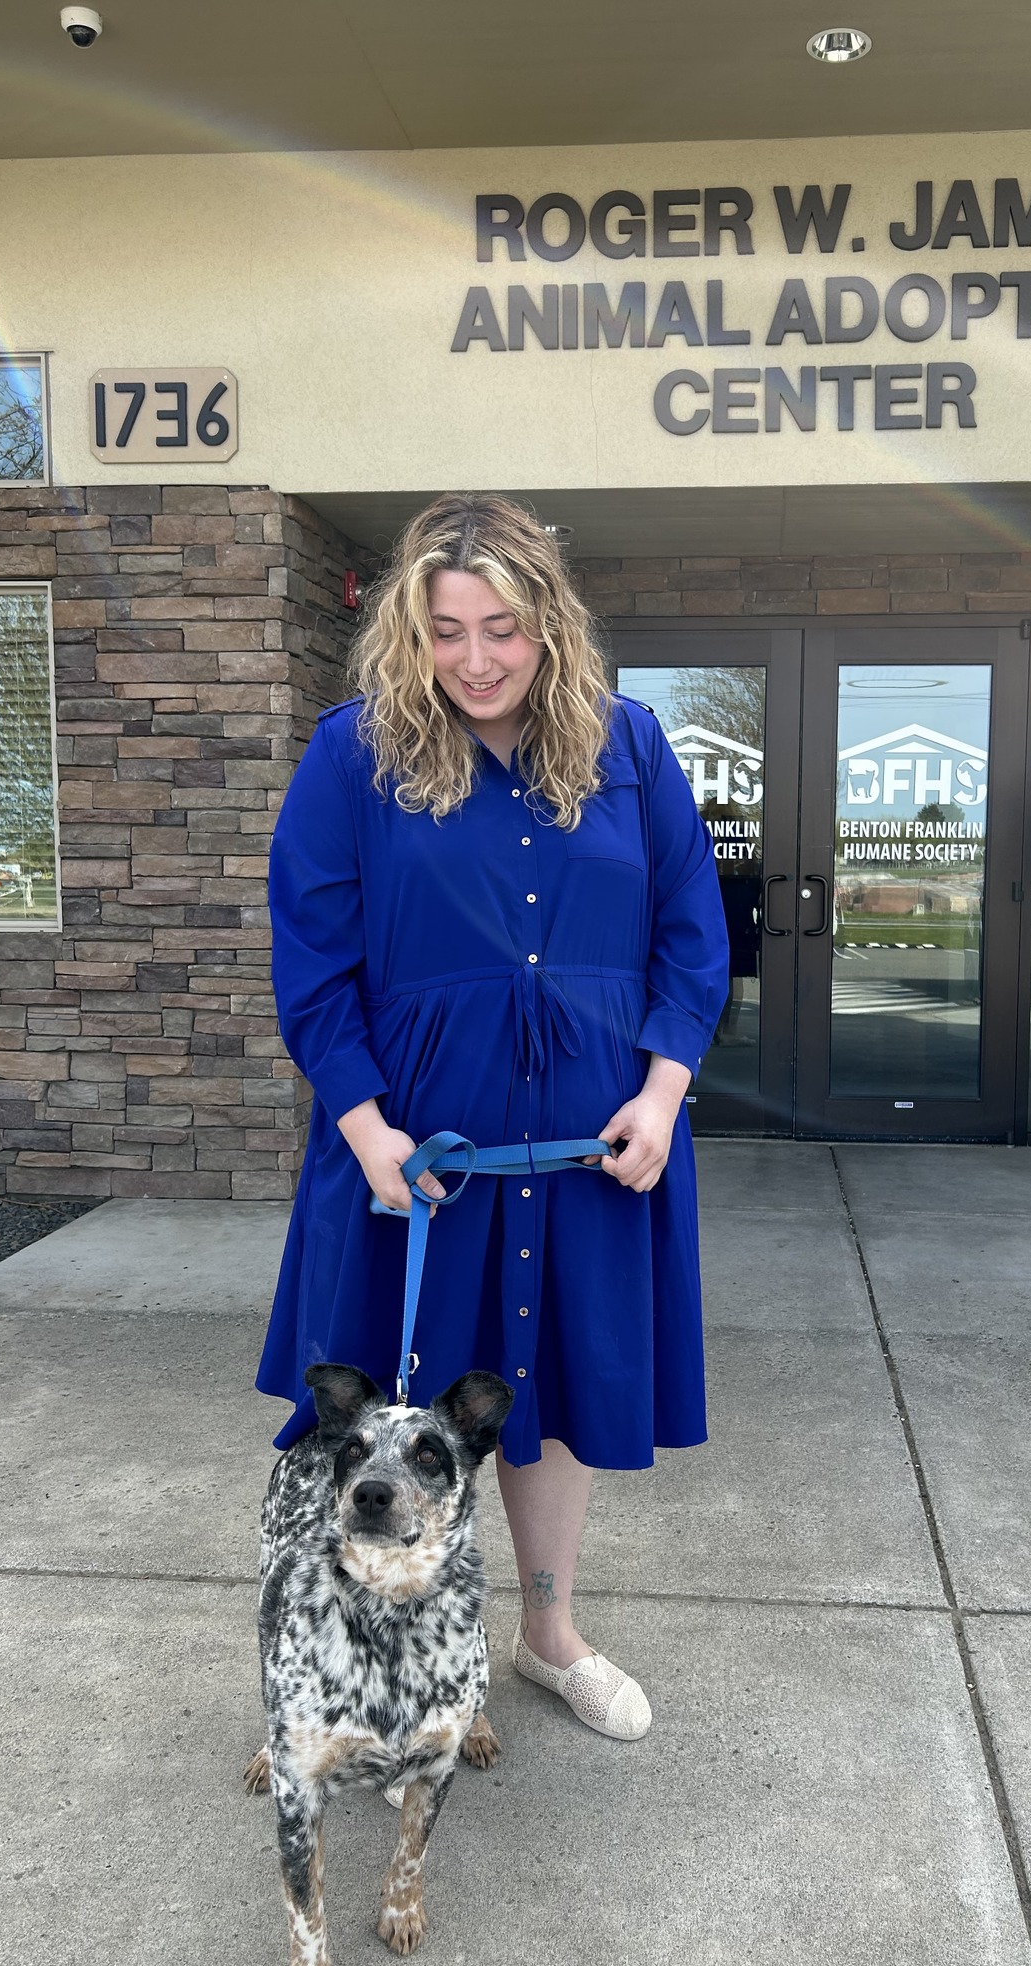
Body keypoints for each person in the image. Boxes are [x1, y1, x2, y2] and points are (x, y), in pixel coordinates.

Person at [257, 493, 728, 1740]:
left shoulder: (631, 745)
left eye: (503, 628)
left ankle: (547, 1635)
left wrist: (665, 1090)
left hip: (592, 1158)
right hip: (413, 1168)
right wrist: (364, 1129)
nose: (474, 658)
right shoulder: (351, 754)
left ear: (549, 626)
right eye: (447, 628)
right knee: (391, 1410)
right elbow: (311, 961)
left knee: (551, 1392)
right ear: (409, 632)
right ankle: (375, 1664)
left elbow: (692, 935)